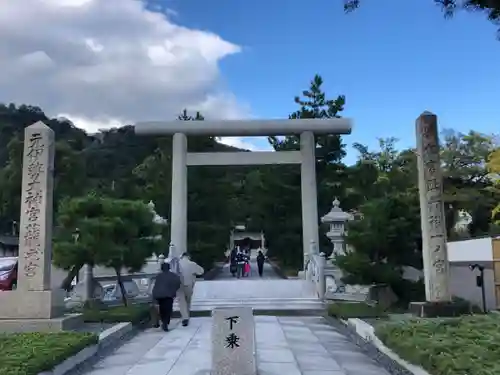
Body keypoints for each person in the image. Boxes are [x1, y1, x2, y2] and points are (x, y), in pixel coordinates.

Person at [152, 262, 181, 332]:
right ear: (169, 268)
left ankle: (163, 321)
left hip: (159, 295)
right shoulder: (173, 276)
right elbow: (178, 284)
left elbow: (155, 286)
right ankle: (165, 322)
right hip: (169, 295)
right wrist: (174, 291)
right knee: (168, 309)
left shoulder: (158, 276)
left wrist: (154, 295)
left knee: (162, 309)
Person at [178, 252, 204, 327]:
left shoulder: (177, 264)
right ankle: (187, 315)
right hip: (189, 284)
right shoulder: (192, 264)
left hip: (179, 284)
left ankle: (184, 317)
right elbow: (201, 271)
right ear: (188, 256)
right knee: (188, 301)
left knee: (181, 301)